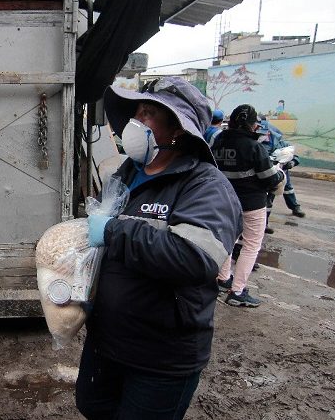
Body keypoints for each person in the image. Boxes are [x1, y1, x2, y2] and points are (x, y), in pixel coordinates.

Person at [76, 77, 242, 419]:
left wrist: (113, 232)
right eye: (138, 110)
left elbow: (194, 257)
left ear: (178, 129)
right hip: (108, 340)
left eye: (150, 113)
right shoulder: (125, 175)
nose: (138, 120)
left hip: (161, 355)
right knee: (92, 407)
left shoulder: (207, 187)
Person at [211, 104, 284, 308]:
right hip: (251, 204)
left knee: (228, 241)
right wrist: (280, 171)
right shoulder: (253, 147)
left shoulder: (218, 143)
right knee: (251, 245)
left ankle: (222, 278)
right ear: (252, 125)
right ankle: (238, 291)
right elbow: (270, 179)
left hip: (225, 201)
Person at [258, 119, 305, 235]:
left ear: (269, 132)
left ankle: (266, 223)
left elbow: (295, 156)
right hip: (262, 176)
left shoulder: (280, 143)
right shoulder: (256, 143)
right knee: (261, 201)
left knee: (280, 194)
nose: (262, 135)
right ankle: (261, 224)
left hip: (278, 175)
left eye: (264, 133)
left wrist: (292, 163)